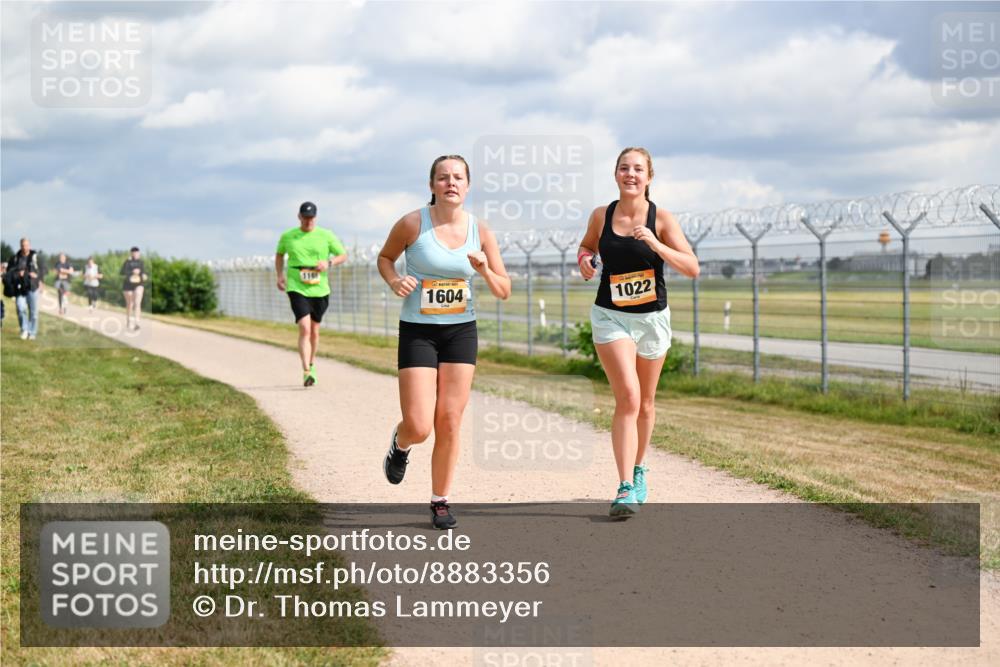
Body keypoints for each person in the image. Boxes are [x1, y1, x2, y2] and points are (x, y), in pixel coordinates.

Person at [377, 155, 511, 529]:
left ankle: (440, 500)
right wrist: (393, 281)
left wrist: (483, 269)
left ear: (467, 186)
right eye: (443, 177)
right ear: (432, 184)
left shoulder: (480, 231)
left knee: (450, 419)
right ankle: (401, 444)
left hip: (460, 332)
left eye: (458, 178)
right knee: (420, 425)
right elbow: (386, 258)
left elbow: (504, 290)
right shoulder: (411, 223)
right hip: (419, 330)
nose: (451, 183)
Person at [576, 147, 699, 518]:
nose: (631, 174)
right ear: (615, 174)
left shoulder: (662, 218)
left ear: (649, 177)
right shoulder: (602, 215)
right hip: (610, 316)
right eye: (624, 168)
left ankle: (640, 468)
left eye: (638, 169)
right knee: (628, 398)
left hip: (652, 319)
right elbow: (586, 247)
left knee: (645, 402)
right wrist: (585, 261)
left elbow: (691, 267)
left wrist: (654, 242)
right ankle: (625, 485)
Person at [275, 201, 348, 386]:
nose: (308, 221)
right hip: (296, 285)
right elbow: (279, 255)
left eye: (311, 217)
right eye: (305, 217)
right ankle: (306, 370)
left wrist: (328, 263)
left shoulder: (326, 235)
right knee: (305, 328)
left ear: (315, 217)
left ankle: (312, 363)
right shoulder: (288, 236)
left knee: (314, 331)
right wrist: (280, 275)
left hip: (320, 288)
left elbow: (343, 255)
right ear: (299, 217)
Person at [7, 238, 44, 340]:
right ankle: (24, 329)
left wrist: (38, 277)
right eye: (23, 245)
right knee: (20, 308)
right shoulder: (15, 258)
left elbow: (43, 269)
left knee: (33, 313)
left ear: (30, 246)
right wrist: (18, 274)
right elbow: (9, 273)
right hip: (20, 288)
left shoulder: (35, 257)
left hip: (32, 287)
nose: (25, 247)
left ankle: (32, 332)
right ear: (20, 245)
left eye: (26, 245)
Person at [120, 247, 148, 331]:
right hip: (128, 285)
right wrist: (132, 272)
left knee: (137, 302)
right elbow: (122, 272)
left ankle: (137, 322)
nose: (136, 254)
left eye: (137, 253)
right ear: (131, 253)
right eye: (134, 253)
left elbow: (144, 273)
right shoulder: (127, 262)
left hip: (139, 284)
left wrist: (143, 275)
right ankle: (129, 320)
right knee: (130, 304)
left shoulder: (141, 262)